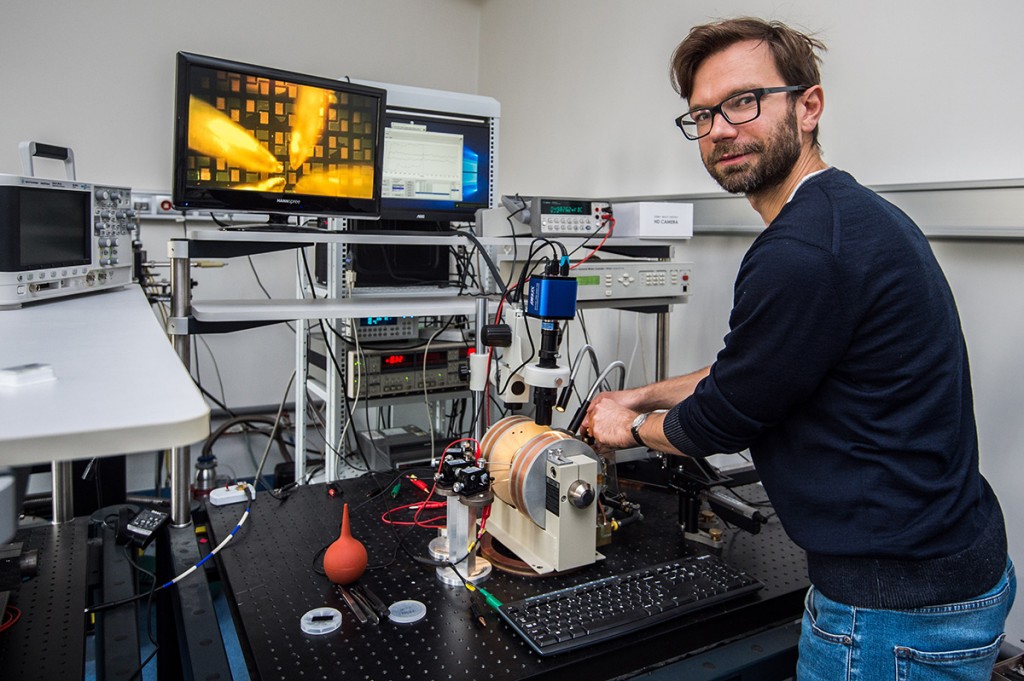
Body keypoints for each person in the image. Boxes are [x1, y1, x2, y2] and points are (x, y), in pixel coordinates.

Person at [582, 17, 1014, 680]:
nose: (720, 128)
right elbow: (757, 368)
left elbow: (721, 418)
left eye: (743, 101)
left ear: (807, 106)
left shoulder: (801, 251)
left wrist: (629, 425)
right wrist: (644, 391)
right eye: (702, 114)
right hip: (944, 569)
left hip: (888, 612)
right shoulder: (844, 215)